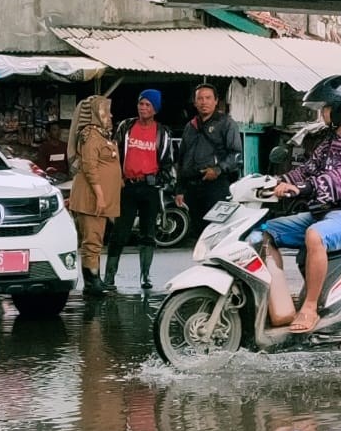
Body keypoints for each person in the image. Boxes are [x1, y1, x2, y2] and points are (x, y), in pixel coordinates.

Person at [260, 75, 341, 333]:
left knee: (315, 236)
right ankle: (280, 305)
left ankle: (310, 308)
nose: (322, 113)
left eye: (326, 107)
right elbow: (308, 169)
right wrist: (276, 181)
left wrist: (302, 189)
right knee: (264, 233)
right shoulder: (330, 139)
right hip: (329, 212)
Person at [104, 89, 175, 291]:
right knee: (119, 233)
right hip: (127, 186)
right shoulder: (126, 126)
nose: (143, 108)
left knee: (148, 234)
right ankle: (109, 276)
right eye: (141, 104)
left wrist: (162, 181)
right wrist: (117, 178)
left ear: (155, 109)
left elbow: (168, 161)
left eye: (148, 105)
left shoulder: (162, 132)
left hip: (150, 187)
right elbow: (113, 154)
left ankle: (145, 275)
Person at [67, 95, 123, 297]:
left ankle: (95, 279)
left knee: (96, 239)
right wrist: (100, 195)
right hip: (91, 199)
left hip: (99, 198)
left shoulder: (101, 135)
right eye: (106, 111)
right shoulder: (90, 135)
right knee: (91, 241)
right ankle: (91, 283)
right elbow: (89, 167)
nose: (110, 115)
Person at [175, 83, 242, 227]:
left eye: (208, 98)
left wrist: (218, 170)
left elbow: (236, 154)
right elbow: (182, 159)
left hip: (216, 186)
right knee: (198, 232)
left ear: (216, 101)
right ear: (195, 102)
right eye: (200, 98)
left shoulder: (226, 123)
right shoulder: (190, 126)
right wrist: (179, 189)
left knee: (217, 230)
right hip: (192, 187)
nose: (204, 102)